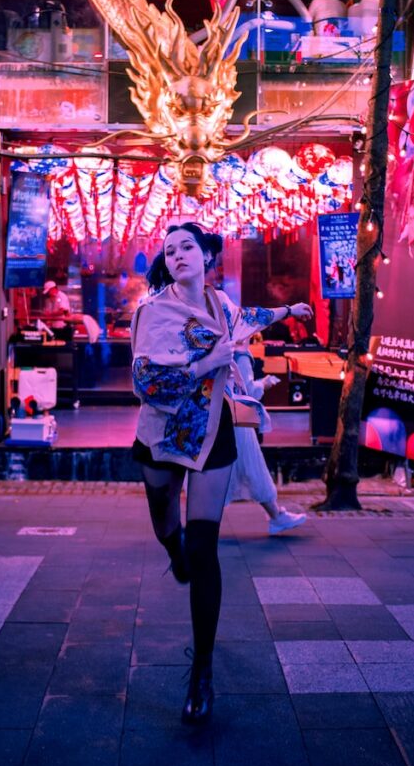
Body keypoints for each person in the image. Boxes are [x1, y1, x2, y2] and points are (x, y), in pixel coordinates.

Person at [130, 222, 312, 725]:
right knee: (167, 526)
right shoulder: (153, 311)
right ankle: (175, 552)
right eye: (170, 250)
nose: (178, 255)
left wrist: (288, 311)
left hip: (213, 432)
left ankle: (201, 672)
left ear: (208, 254)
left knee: (204, 549)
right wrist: (205, 362)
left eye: (187, 246)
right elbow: (146, 382)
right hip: (163, 435)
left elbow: (248, 317)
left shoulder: (221, 304)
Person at [225, 343, 307, 534]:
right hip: (238, 423)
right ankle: (276, 516)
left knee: (221, 473)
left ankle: (276, 515)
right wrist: (265, 384)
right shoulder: (240, 354)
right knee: (254, 469)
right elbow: (247, 392)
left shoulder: (222, 346)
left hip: (222, 418)